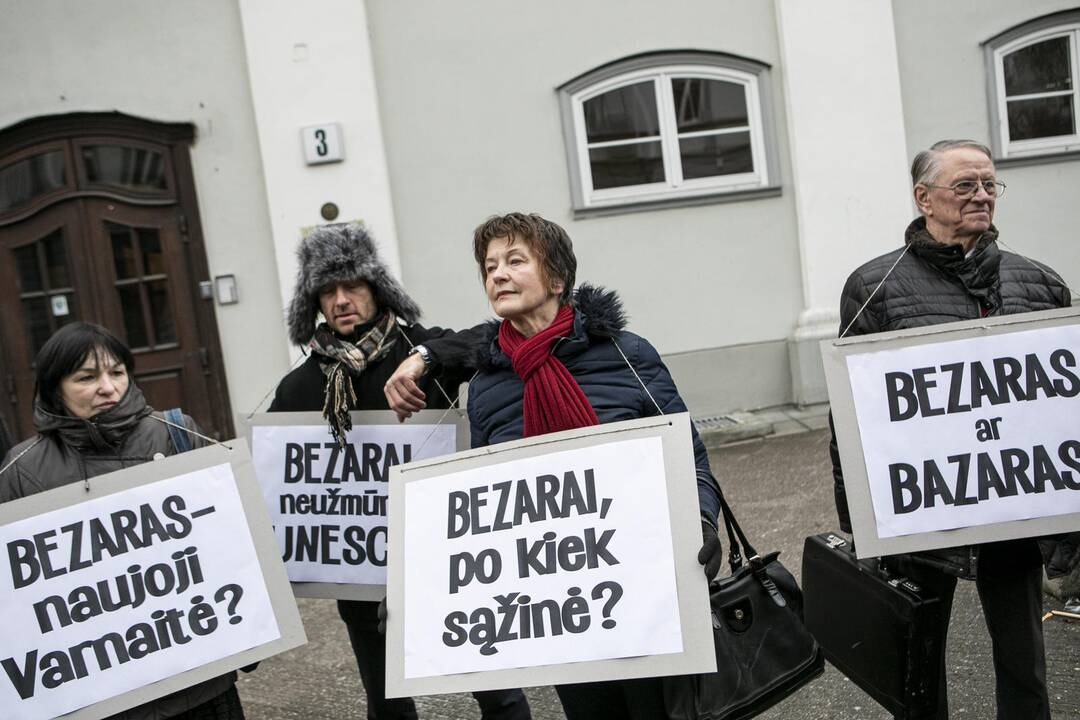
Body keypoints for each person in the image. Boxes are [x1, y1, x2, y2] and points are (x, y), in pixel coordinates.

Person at [391, 212, 725, 720]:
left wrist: (701, 522)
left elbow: (688, 456)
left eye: (514, 261)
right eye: (489, 266)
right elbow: (484, 514)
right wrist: (420, 579)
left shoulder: (625, 354)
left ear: (557, 279)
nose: (497, 275)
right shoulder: (485, 386)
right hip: (562, 611)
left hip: (646, 589)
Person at [829, 139, 1072, 719]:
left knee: (1024, 662)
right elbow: (851, 416)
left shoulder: (1041, 284)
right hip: (921, 511)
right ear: (924, 198)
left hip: (1013, 505)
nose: (981, 196)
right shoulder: (874, 287)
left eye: (989, 184)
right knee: (917, 660)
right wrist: (861, 524)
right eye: (965, 186)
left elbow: (1064, 411)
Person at [268, 222, 530, 720]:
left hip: (449, 565)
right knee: (385, 705)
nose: (341, 299)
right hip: (361, 575)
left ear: (377, 289)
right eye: (328, 291)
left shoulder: (424, 349)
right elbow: (282, 484)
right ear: (314, 303)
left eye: (353, 286)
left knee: (498, 694)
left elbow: (497, 339)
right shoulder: (297, 390)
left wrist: (424, 360)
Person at [0, 322, 244, 720]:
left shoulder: (178, 433)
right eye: (86, 377)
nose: (108, 387)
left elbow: (232, 543)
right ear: (53, 387)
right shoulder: (21, 471)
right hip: (97, 692)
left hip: (199, 684)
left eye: (116, 372)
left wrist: (251, 631)